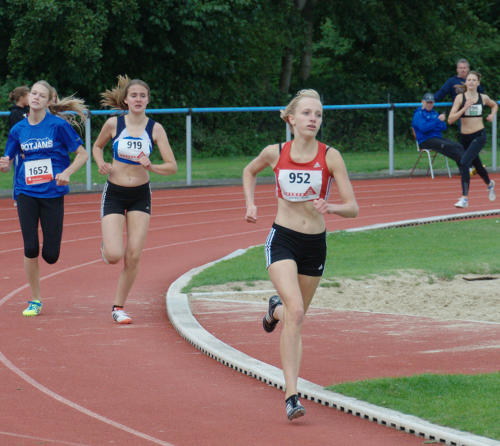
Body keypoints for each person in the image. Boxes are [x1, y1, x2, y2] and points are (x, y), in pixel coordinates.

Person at [242, 89, 359, 420]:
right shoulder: (275, 152)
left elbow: (353, 208)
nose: (313, 119)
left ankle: (273, 310)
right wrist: (251, 203)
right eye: (307, 113)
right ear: (291, 118)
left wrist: (331, 206)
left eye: (318, 115)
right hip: (282, 240)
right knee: (296, 310)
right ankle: (291, 395)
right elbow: (249, 171)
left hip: (314, 244)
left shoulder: (331, 156)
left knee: (295, 315)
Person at [92, 75, 177, 324]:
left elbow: (172, 167)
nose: (138, 99)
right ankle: (107, 248)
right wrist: (101, 163)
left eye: (142, 95)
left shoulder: (155, 129)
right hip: (115, 193)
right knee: (115, 254)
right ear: (126, 100)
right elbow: (97, 147)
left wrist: (152, 166)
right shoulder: (113, 125)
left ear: (148, 100)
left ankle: (119, 306)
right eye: (134, 95)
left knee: (134, 255)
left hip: (141, 194)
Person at [0, 80, 89, 316]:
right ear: (28, 98)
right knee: (30, 247)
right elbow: (8, 159)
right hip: (26, 192)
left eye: (41, 95)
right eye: (33, 93)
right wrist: (5, 164)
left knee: (50, 255)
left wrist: (67, 173)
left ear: (50, 101)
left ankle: (47, 262)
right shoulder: (19, 129)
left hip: (52, 193)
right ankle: (35, 299)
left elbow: (82, 154)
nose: (36, 97)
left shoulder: (58, 126)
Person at [447, 71, 497, 208]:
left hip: (479, 135)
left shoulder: (484, 97)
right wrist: (464, 108)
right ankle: (489, 183)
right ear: (466, 82)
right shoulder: (460, 98)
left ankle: (465, 198)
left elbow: (494, 105)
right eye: (469, 79)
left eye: (474, 80)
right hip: (465, 137)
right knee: (478, 166)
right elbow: (450, 120)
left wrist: (492, 115)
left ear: (478, 83)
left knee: (464, 162)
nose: (471, 82)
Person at [412, 92, 469, 205]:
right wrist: (437, 121)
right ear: (422, 102)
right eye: (428, 102)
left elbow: (443, 127)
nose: (429, 104)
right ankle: (466, 168)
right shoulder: (418, 114)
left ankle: (465, 169)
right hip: (426, 141)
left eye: (431, 102)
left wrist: (436, 122)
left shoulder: (434, 113)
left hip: (437, 138)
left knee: (458, 146)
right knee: (449, 146)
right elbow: (423, 128)